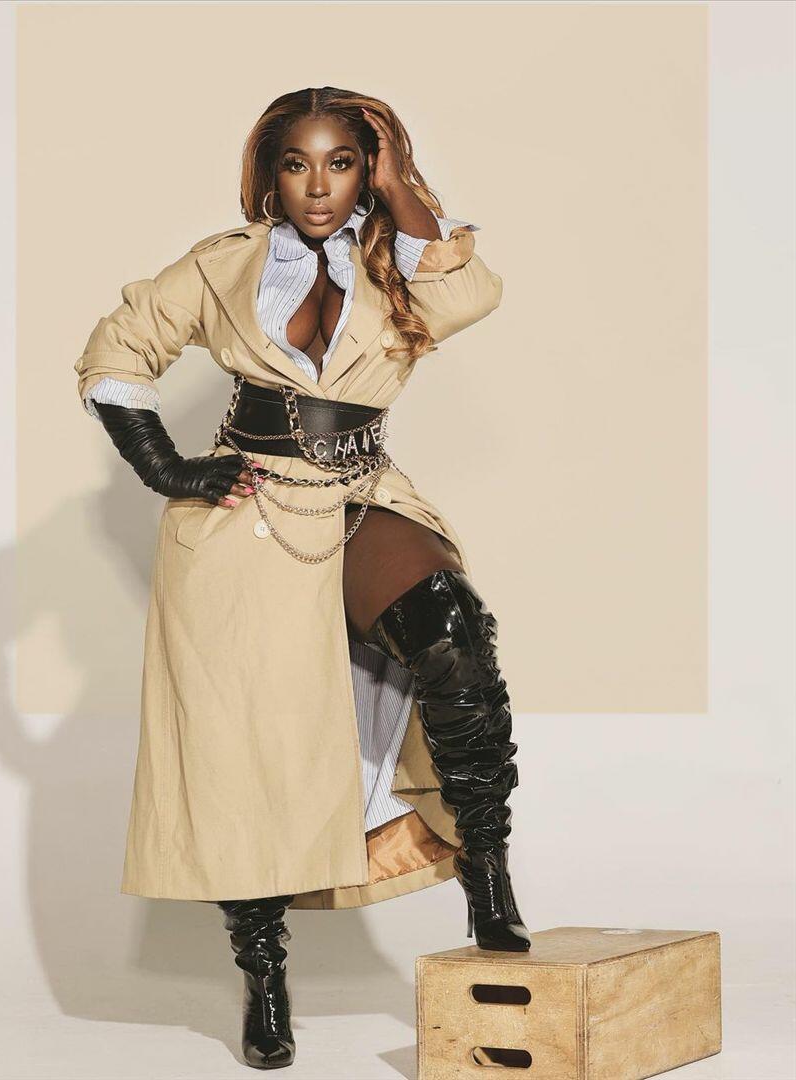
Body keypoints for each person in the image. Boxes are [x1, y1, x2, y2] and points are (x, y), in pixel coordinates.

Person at [75, 87, 530, 1071]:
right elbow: (116, 352)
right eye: (297, 163)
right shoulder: (224, 263)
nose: (318, 185)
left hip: (362, 490)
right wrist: (166, 468)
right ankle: (263, 975)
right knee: (245, 748)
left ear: (367, 172)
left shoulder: (400, 265)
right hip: (246, 513)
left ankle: (488, 878)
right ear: (269, 174)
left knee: (452, 634)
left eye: (342, 162)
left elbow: (471, 295)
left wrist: (401, 182)